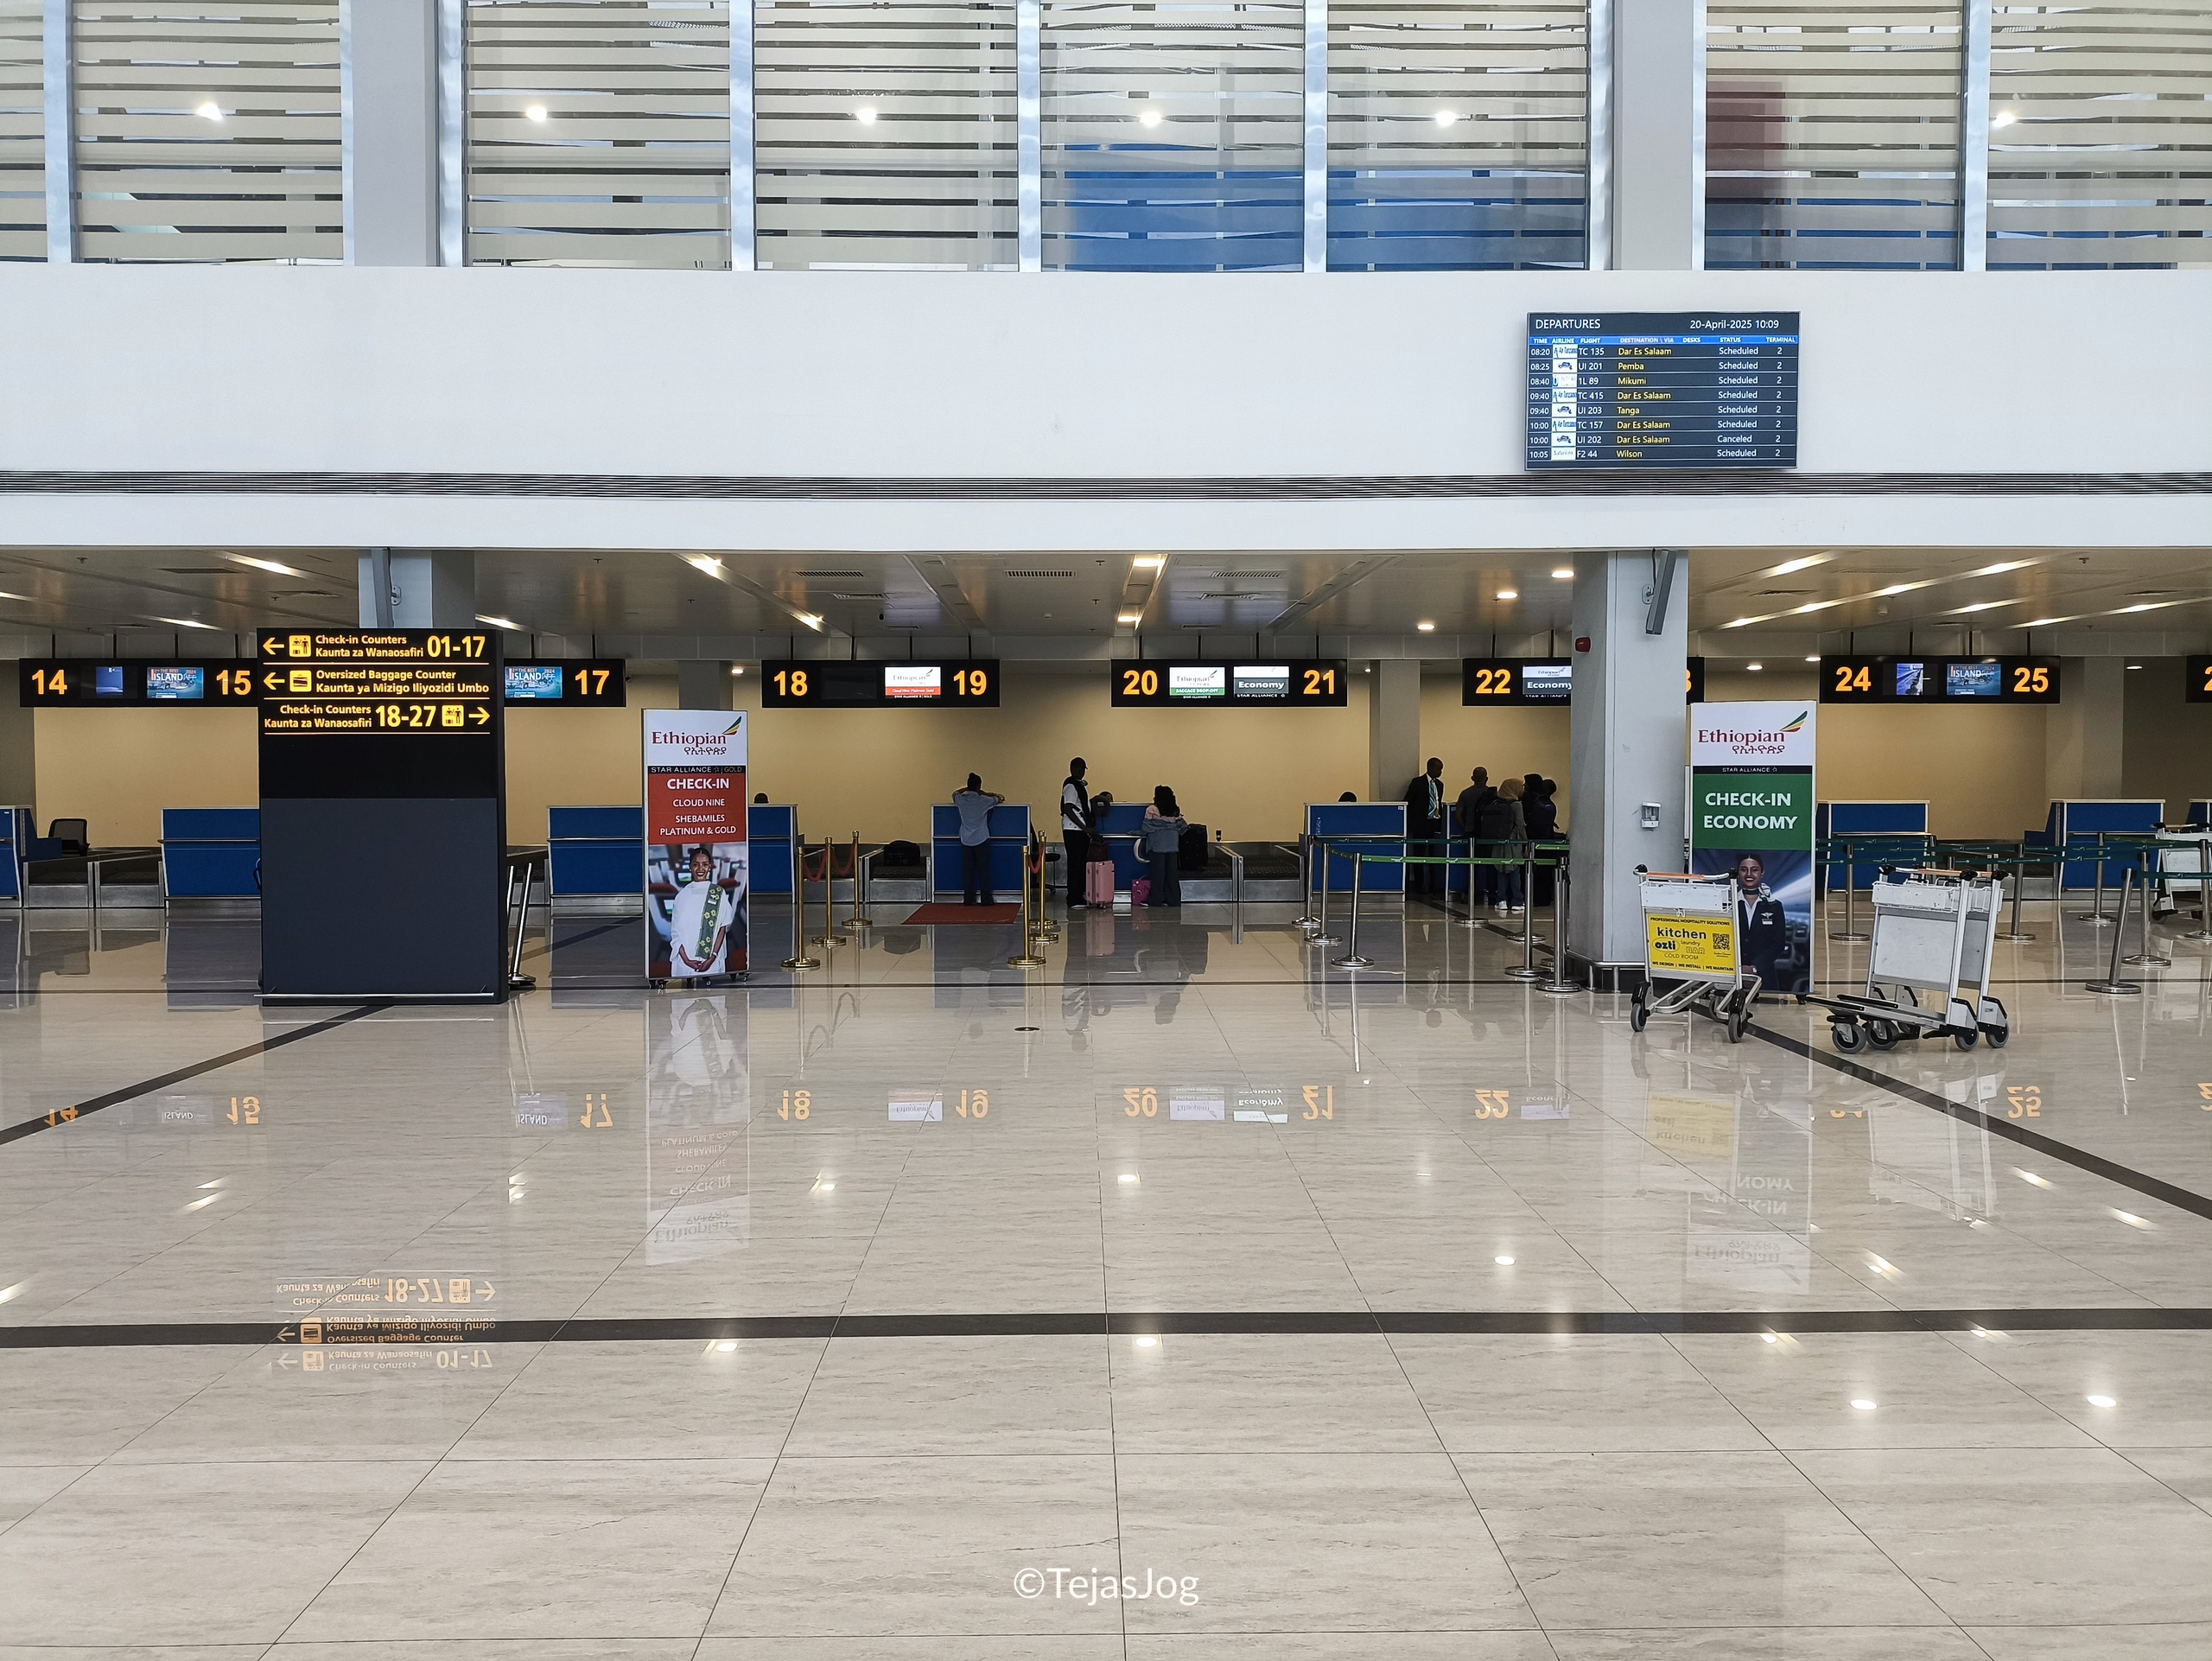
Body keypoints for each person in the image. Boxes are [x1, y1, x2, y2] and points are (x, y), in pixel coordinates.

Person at [667, 845, 732, 980]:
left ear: (710, 867)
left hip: (712, 961)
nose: (700, 869)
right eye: (696, 865)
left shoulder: (718, 893)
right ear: (690, 867)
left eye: (705, 865)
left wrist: (713, 957)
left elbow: (722, 928)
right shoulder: (681, 896)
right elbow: (675, 932)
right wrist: (686, 960)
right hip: (685, 963)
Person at [1733, 854, 1789, 995]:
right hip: (1732, 977)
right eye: (1744, 869)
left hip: (1766, 978)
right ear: (1738, 873)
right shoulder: (1729, 904)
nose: (1749, 874)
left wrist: (1754, 968)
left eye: (1754, 870)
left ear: (1762, 873)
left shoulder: (1775, 906)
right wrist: (1739, 969)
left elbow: (1778, 944)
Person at [951, 772, 1003, 905]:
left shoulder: (961, 800)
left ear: (968, 785)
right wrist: (984, 793)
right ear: (979, 786)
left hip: (966, 840)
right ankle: (985, 899)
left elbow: (954, 793)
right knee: (983, 871)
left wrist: (967, 789)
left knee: (967, 872)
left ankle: (968, 900)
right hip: (981, 839)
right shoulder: (984, 801)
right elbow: (998, 799)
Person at [1453, 767, 1496, 906]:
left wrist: (1466, 827)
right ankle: (1492, 895)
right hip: (1489, 834)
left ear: (1472, 778)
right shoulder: (1492, 794)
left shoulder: (1465, 793)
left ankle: (1470, 895)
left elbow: (1458, 815)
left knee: (1471, 865)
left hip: (1471, 833)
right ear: (1487, 779)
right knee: (1491, 865)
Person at [1405, 757, 1446, 895]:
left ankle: (1433, 884)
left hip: (1434, 823)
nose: (1440, 772)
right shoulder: (1417, 782)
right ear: (1430, 768)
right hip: (1420, 825)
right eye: (1438, 769)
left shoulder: (1440, 785)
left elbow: (1438, 801)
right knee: (1419, 855)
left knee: (1434, 856)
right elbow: (1408, 801)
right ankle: (1419, 884)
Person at [1141, 785, 1186, 906]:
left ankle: (1155, 900)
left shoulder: (1151, 809)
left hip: (1157, 845)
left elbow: (1146, 828)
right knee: (1172, 875)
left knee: (1158, 875)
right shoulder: (1175, 810)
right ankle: (1173, 900)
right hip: (1172, 845)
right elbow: (1181, 827)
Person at [1493, 777, 1529, 913]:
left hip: (1498, 842)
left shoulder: (1496, 803)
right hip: (1513, 842)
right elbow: (1520, 825)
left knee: (1501, 869)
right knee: (1514, 870)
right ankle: (1517, 900)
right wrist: (1526, 843)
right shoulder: (1517, 805)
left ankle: (1501, 900)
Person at [1060, 758, 1093, 909]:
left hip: (1078, 830)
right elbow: (1068, 808)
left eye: (1082, 769)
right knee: (1075, 864)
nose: (1080, 772)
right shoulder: (1071, 786)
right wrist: (1085, 827)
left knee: (1079, 863)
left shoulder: (1079, 785)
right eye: (1077, 769)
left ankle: (1078, 895)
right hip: (1074, 829)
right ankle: (1074, 898)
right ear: (1071, 769)